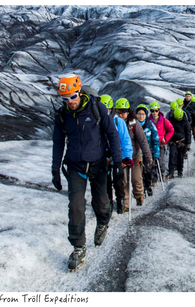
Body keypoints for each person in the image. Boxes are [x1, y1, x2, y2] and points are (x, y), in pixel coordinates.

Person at [51, 74, 123, 271]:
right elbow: (58, 142)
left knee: (101, 202)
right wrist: (55, 168)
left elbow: (112, 134)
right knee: (75, 206)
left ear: (79, 92)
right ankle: (78, 246)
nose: (70, 102)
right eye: (65, 99)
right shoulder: (62, 116)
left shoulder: (96, 108)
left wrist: (117, 162)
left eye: (72, 96)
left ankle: (102, 222)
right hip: (75, 166)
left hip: (99, 164)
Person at [115, 98, 151, 208]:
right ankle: (126, 204)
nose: (121, 115)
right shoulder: (114, 123)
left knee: (136, 179)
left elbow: (142, 140)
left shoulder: (134, 124)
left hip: (135, 156)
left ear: (128, 111)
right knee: (123, 181)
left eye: (123, 112)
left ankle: (139, 196)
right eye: (119, 112)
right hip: (122, 157)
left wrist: (148, 157)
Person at [101, 95, 133, 215]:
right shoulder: (97, 123)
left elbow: (125, 140)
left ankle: (120, 201)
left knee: (118, 182)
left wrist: (127, 156)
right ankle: (108, 203)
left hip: (117, 158)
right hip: (103, 158)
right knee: (106, 183)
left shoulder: (118, 122)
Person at [135, 104, 160, 197]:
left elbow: (156, 140)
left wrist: (156, 154)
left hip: (148, 152)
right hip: (136, 152)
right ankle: (142, 189)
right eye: (139, 114)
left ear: (146, 115)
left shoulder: (150, 125)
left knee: (147, 170)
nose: (141, 116)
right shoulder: (132, 125)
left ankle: (148, 186)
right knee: (138, 172)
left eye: (143, 114)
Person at [166, 100, 192, 179]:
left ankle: (180, 172)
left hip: (182, 141)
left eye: (179, 118)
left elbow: (188, 133)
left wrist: (188, 144)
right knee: (172, 156)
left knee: (180, 157)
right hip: (173, 141)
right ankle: (171, 173)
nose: (178, 119)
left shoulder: (185, 122)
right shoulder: (171, 120)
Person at [149, 101, 173, 184]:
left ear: (159, 111)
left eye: (156, 111)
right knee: (152, 163)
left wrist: (165, 139)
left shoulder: (163, 120)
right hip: (151, 145)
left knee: (160, 160)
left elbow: (171, 130)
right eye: (152, 111)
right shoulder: (148, 121)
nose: (154, 113)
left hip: (160, 145)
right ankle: (154, 179)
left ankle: (162, 172)